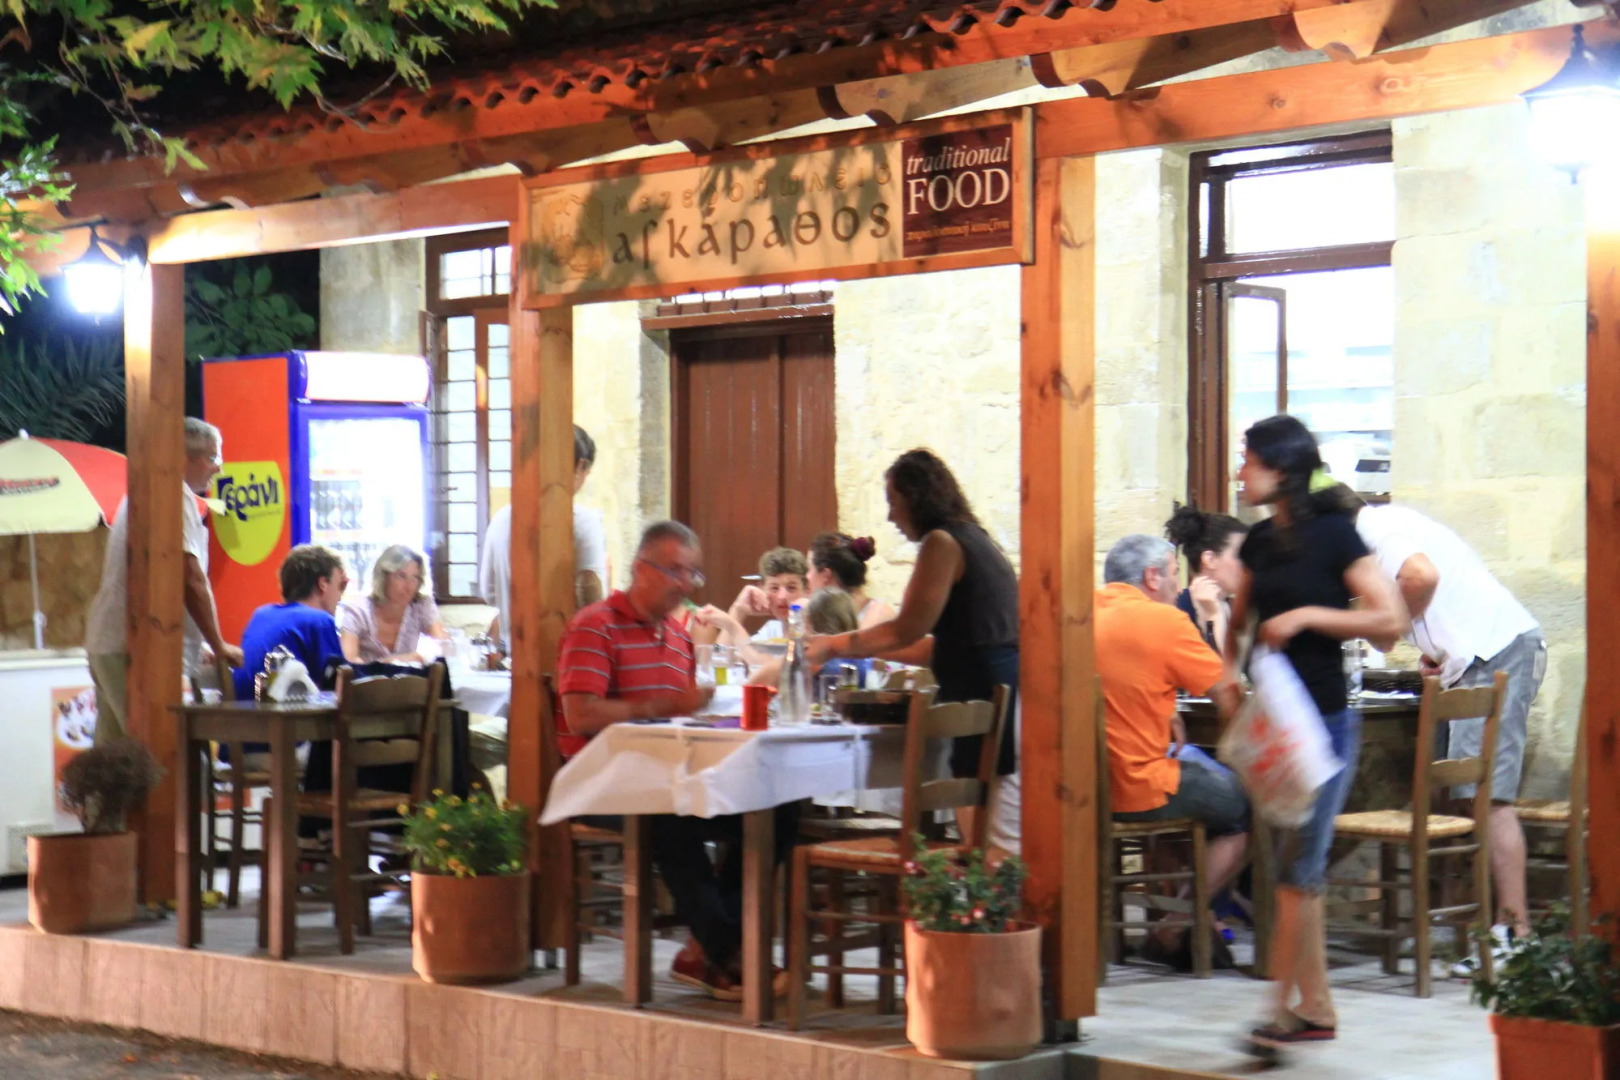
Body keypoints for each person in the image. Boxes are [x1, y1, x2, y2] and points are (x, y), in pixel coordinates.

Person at [1225, 415, 1407, 1059]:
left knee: (1297, 869)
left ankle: (1278, 1011)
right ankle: (1316, 1008)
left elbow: (1389, 616)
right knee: (1292, 868)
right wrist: (1229, 679)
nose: (1239, 471)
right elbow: (1240, 624)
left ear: (1281, 468)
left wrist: (1305, 615)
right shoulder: (1256, 544)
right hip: (1276, 724)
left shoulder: (1335, 535)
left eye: (1247, 460)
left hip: (1325, 723)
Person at [558, 520, 793, 1002]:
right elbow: (579, 714)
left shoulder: (677, 635)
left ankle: (702, 948)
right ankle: (731, 952)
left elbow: (682, 718)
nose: (686, 585)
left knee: (778, 805)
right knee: (671, 818)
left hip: (672, 774)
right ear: (641, 570)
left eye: (693, 575)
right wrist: (661, 708)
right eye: (675, 572)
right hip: (602, 781)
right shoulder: (595, 626)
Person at [1347, 492, 1545, 966]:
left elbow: (1422, 577)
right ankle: (1460, 925)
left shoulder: (1375, 531)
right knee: (1458, 800)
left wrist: (1389, 623)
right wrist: (1436, 648)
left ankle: (1516, 932)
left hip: (1495, 651)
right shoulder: (1387, 524)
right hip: (1475, 655)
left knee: (1488, 800)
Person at [806, 449, 1019, 838]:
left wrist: (833, 645)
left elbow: (906, 629)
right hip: (999, 687)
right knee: (988, 822)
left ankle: (984, 892)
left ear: (918, 498)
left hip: (982, 690)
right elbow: (936, 645)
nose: (890, 516)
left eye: (893, 502)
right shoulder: (976, 539)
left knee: (988, 832)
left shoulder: (943, 543)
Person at [1097, 534, 1248, 970]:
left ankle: (1179, 919)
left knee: (1189, 787)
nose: (1177, 588)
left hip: (1085, 786)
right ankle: (1175, 923)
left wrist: (1163, 710)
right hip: (1138, 784)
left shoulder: (1078, 611)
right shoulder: (1162, 622)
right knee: (1246, 805)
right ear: (1151, 576)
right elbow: (1228, 694)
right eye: (1173, 575)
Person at [84, 417, 243, 744]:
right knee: (158, 754)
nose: (218, 469)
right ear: (184, 458)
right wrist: (217, 642)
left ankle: (102, 798)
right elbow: (191, 578)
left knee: (117, 760)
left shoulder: (145, 492)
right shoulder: (174, 495)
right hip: (134, 648)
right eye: (212, 458)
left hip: (111, 641)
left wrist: (199, 644)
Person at [480, 424, 607, 648]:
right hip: (569, 656)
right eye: (586, 473)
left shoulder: (501, 518)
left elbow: (489, 591)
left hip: (516, 658)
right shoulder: (583, 522)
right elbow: (591, 598)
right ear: (580, 466)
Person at [233, 545, 349, 700]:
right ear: (323, 584)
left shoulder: (262, 614)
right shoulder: (319, 620)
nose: (341, 596)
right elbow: (338, 686)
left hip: (240, 714)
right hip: (284, 719)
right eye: (340, 585)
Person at [338, 544, 447, 664]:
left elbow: (443, 647)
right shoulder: (359, 610)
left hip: (410, 682)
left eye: (415, 578)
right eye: (401, 576)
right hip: (365, 682)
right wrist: (392, 662)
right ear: (383, 577)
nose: (409, 586)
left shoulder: (421, 604)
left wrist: (426, 655)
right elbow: (348, 662)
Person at [1164, 503, 1248, 656]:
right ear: (1210, 559)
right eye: (1240, 555)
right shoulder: (1175, 614)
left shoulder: (1237, 610)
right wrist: (1215, 617)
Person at [807, 533, 896, 628]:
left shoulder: (879, 615)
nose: (807, 576)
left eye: (809, 569)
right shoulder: (826, 615)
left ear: (825, 575)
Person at [724, 547, 809, 642]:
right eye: (774, 588)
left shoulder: (818, 631)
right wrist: (738, 611)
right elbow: (719, 655)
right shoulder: (771, 630)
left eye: (791, 588)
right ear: (762, 589)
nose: (782, 597)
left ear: (806, 590)